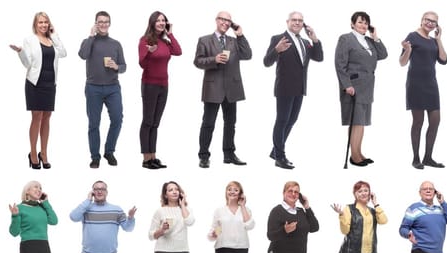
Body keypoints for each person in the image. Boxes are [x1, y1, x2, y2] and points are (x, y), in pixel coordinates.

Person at [263, 11, 324, 170]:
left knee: (292, 120)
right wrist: (277, 50)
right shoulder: (278, 39)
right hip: (284, 88)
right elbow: (266, 62)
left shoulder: (305, 42)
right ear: (288, 22)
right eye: (294, 20)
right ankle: (280, 157)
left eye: (300, 21)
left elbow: (319, 57)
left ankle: (275, 150)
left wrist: (314, 39)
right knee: (282, 120)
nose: (297, 23)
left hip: (300, 88)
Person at [194, 11, 252, 168]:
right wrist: (214, 59)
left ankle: (229, 154)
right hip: (213, 88)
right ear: (216, 20)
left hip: (232, 89)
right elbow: (198, 61)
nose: (225, 23)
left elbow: (247, 55)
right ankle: (204, 156)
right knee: (208, 123)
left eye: (228, 21)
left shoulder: (234, 41)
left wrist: (240, 35)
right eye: (223, 19)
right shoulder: (204, 40)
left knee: (230, 123)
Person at [9, 12, 66, 170]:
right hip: (35, 83)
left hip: (50, 84)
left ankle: (44, 153)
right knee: (37, 116)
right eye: (40, 22)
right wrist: (20, 52)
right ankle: (33, 153)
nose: (43, 25)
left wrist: (54, 35)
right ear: (35, 24)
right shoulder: (30, 40)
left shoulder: (51, 40)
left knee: (47, 117)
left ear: (49, 24)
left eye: (46, 22)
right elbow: (27, 64)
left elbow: (63, 53)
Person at [335, 11, 388, 167]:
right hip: (353, 87)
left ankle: (359, 153)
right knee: (355, 122)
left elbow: (383, 54)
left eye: (366, 23)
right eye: (360, 22)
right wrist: (347, 85)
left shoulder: (369, 41)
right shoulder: (346, 39)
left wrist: (376, 37)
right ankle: (354, 156)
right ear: (352, 24)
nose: (363, 25)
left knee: (362, 122)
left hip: (367, 87)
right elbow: (340, 64)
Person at [78, 11, 127, 169]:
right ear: (95, 23)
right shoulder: (89, 41)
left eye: (106, 22)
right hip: (93, 88)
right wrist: (91, 36)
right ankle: (95, 156)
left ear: (109, 24)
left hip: (113, 88)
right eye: (100, 22)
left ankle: (109, 151)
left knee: (117, 119)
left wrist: (116, 67)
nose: (103, 24)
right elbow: (83, 55)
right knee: (94, 123)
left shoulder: (116, 44)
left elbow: (124, 66)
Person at [400, 11, 447, 169]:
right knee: (418, 122)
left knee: (435, 121)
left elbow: (444, 60)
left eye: (434, 21)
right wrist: (407, 50)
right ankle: (416, 158)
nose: (430, 23)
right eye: (428, 20)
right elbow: (402, 62)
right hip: (416, 85)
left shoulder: (434, 41)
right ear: (422, 20)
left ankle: (428, 157)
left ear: (437, 25)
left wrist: (439, 39)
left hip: (431, 85)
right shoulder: (412, 36)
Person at [138, 11, 182, 169]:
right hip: (149, 84)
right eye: (158, 21)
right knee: (148, 121)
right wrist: (149, 53)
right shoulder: (145, 40)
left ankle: (153, 157)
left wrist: (171, 34)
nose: (161, 23)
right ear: (152, 23)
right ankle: (146, 159)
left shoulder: (166, 40)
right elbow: (142, 64)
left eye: (164, 20)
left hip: (164, 85)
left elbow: (178, 51)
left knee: (155, 123)